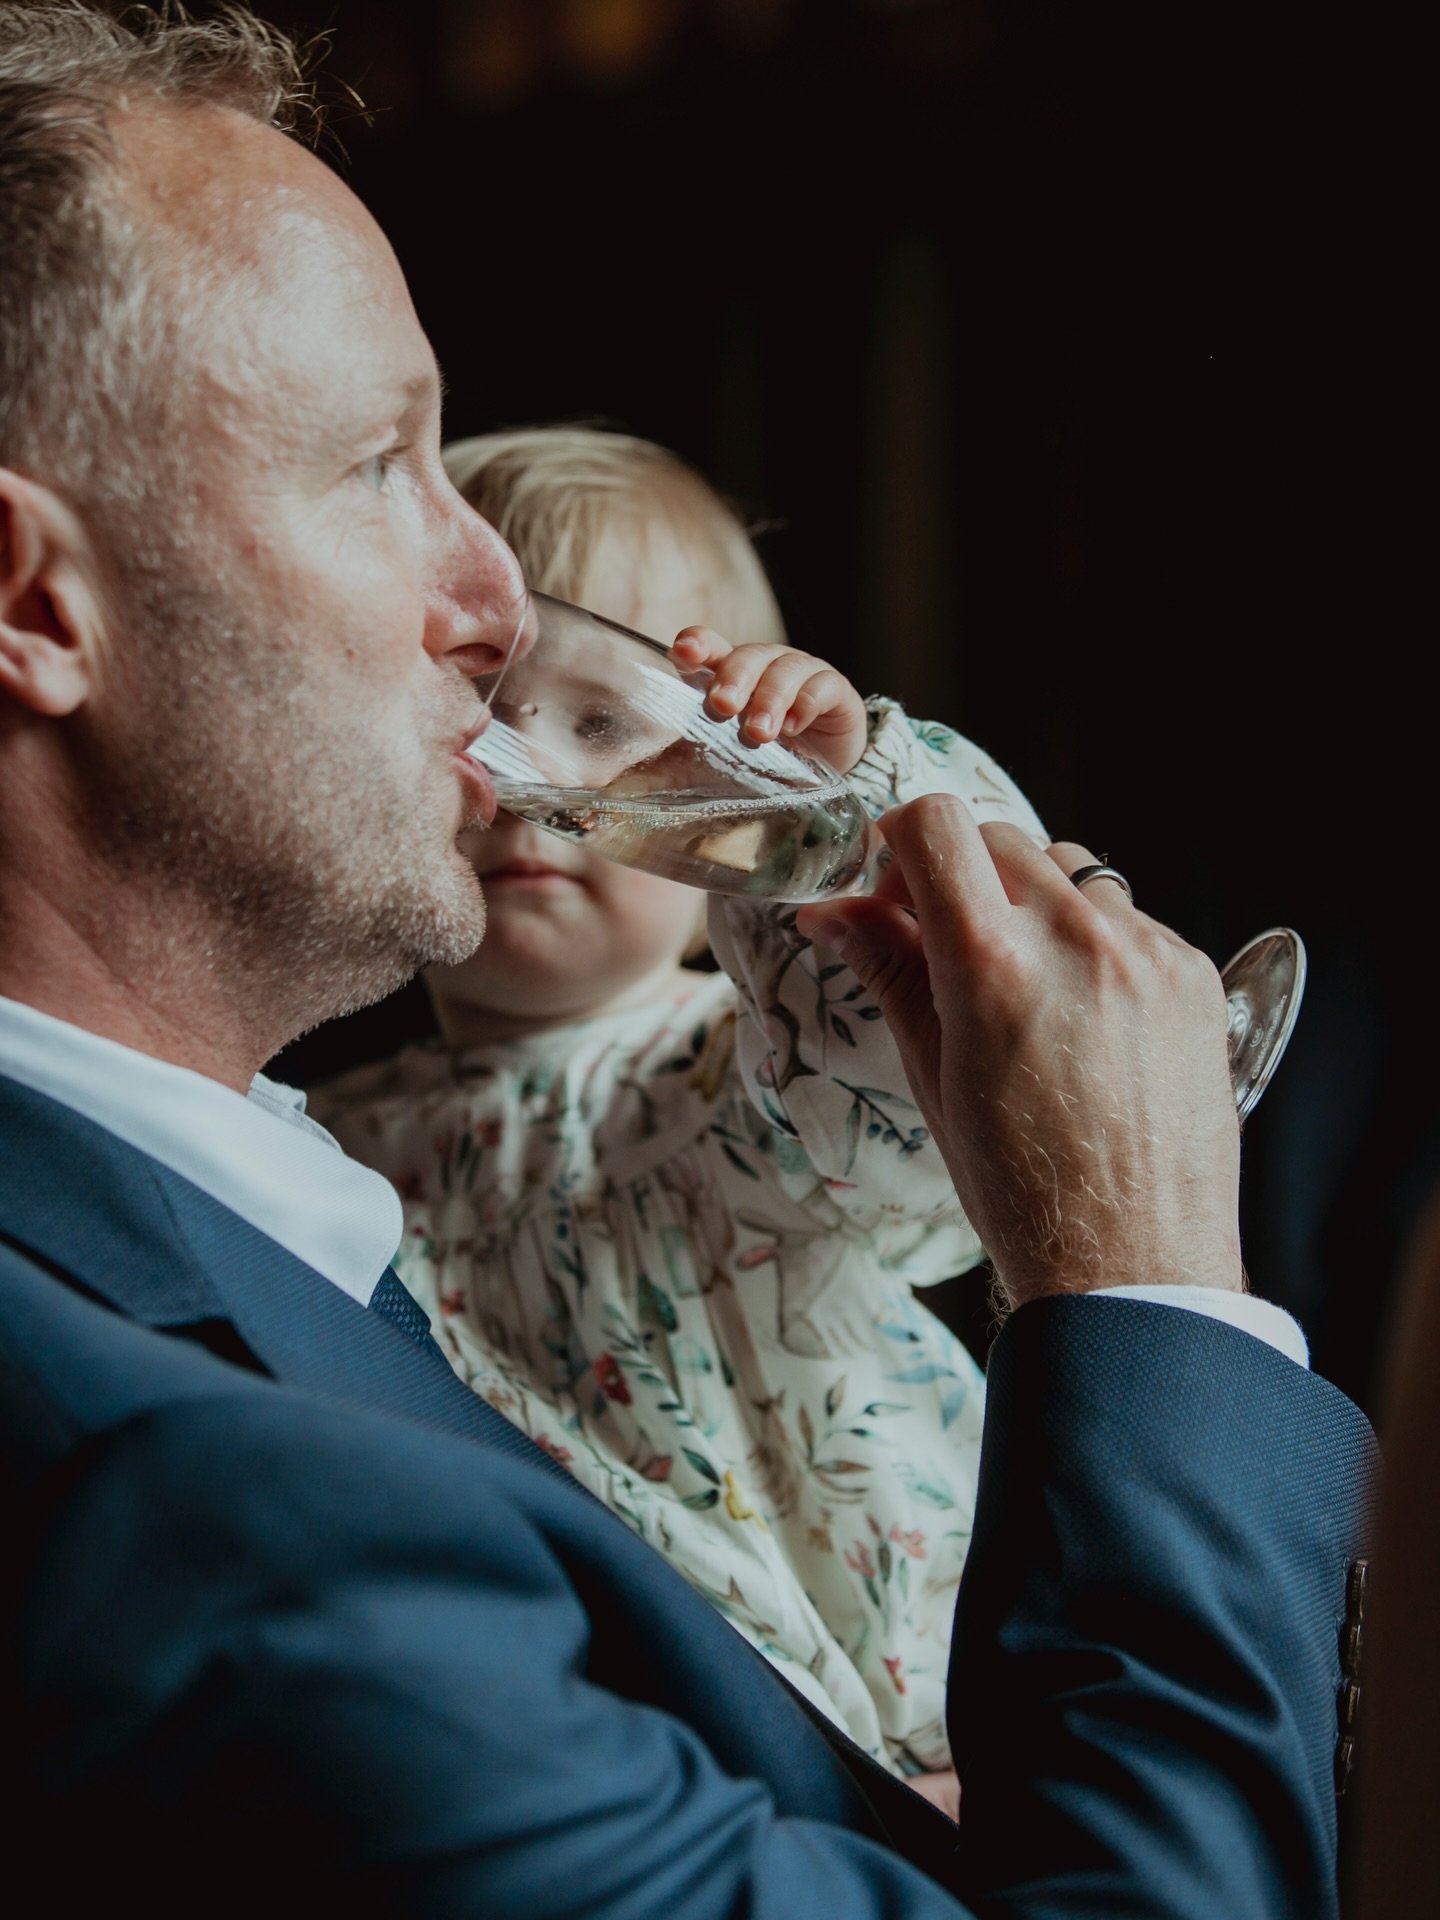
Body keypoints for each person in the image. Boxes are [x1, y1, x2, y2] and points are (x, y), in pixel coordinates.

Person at [0, 8, 1375, 1917]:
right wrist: (1143, 1282)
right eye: (380, 466)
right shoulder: (199, 1522)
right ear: (30, 603)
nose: (492, 607)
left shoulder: (228, 1217)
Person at [314, 423, 1048, 1798]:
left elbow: (969, 1036)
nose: (535, 775)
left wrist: (851, 786)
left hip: (905, 1744)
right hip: (607, 1757)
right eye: (480, 707)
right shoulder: (321, 1141)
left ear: (725, 780)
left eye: (606, 722)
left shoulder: (754, 1071)